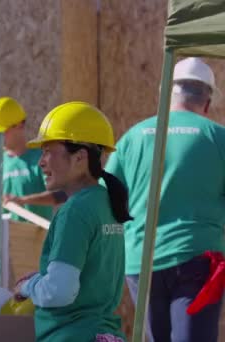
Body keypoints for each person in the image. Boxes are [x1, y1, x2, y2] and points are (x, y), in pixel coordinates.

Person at [105, 57, 225, 342]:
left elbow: (107, 197)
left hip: (141, 263)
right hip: (197, 260)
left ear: (165, 94)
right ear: (207, 101)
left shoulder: (132, 138)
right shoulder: (217, 138)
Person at [9, 101, 132, 341]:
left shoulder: (75, 210)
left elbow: (60, 291)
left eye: (48, 151)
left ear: (80, 157)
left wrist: (28, 286)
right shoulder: (105, 202)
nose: (41, 162)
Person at [0, 97, 66, 222]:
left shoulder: (41, 159)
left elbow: (61, 194)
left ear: (20, 126)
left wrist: (23, 200)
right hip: (7, 238)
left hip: (37, 237)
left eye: (2, 131)